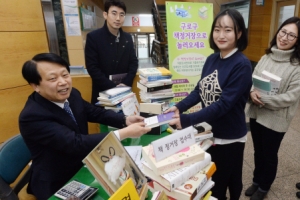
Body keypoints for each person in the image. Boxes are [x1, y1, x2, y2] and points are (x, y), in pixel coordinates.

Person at [19, 53, 151, 200]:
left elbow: (94, 113)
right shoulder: (32, 116)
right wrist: (124, 133)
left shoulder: (72, 94)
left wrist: (125, 120)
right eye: (53, 79)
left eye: (65, 75)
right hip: (58, 180)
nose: (63, 82)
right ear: (35, 86)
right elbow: (75, 143)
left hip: (85, 165)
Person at [165, 9, 252, 200]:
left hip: (230, 137)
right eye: (217, 29)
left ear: (238, 34)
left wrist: (186, 120)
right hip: (211, 132)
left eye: (228, 30)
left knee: (226, 181)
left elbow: (223, 104)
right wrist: (180, 107)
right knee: (215, 180)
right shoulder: (212, 58)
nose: (221, 35)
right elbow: (199, 90)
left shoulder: (242, 65)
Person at [245, 17, 300, 200]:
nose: (284, 38)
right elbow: (252, 79)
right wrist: (252, 92)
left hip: (276, 119)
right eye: (283, 32)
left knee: (269, 154)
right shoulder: (266, 57)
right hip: (257, 112)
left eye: (291, 36)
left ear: (297, 40)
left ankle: (264, 186)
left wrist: (265, 99)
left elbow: (291, 97)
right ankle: (256, 180)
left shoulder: (296, 66)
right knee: (257, 151)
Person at [85, 0, 138, 104]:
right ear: (105, 15)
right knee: (105, 119)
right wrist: (113, 87)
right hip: (103, 93)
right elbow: (92, 68)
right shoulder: (93, 37)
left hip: (125, 92)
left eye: (121, 14)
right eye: (114, 13)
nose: (118, 18)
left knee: (127, 119)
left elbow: (133, 63)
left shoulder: (127, 38)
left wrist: (126, 84)